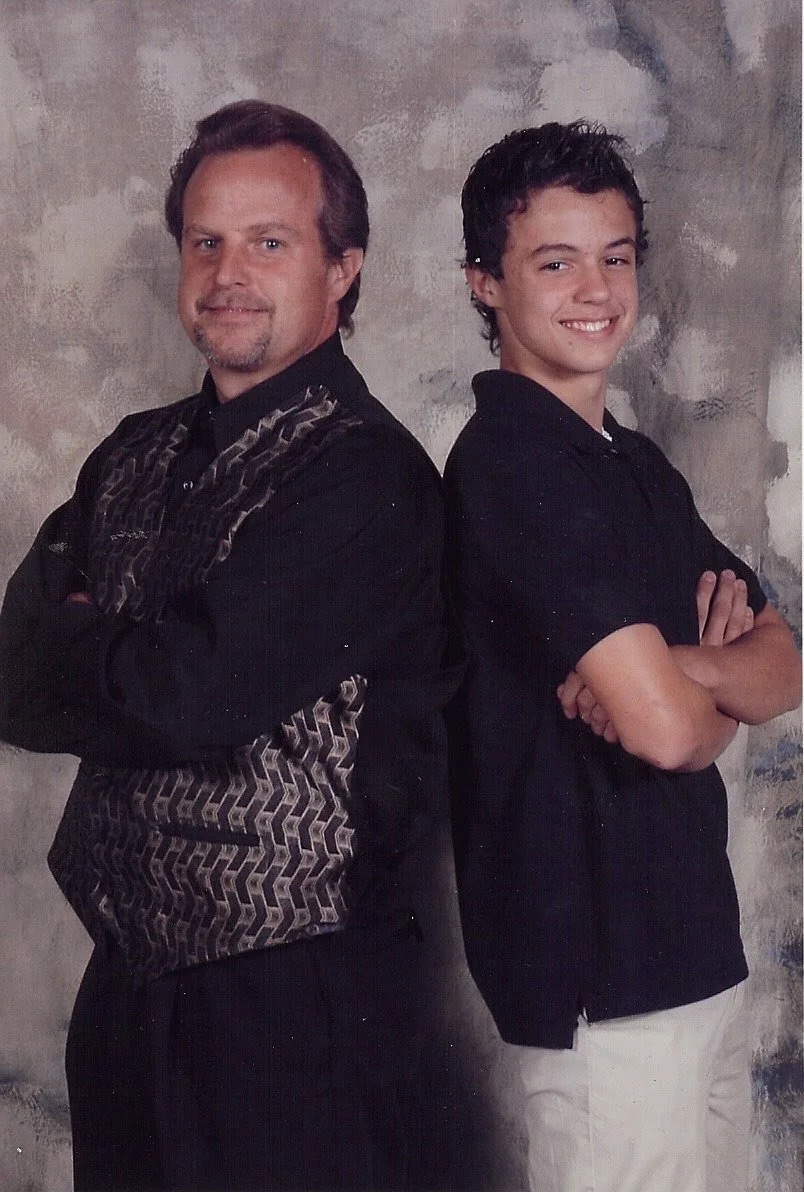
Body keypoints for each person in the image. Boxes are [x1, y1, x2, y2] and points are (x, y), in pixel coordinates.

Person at [0, 99, 460, 1191]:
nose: (226, 273)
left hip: (295, 1015)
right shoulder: (130, 453)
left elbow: (185, 694)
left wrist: (96, 639)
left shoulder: (370, 480)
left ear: (343, 268)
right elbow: (8, 678)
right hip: (125, 996)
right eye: (204, 240)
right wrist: (118, 653)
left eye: (269, 241)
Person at [443, 121, 801, 1192]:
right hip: (598, 987)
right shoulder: (511, 461)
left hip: (694, 956)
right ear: (485, 285)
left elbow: (786, 663)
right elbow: (660, 734)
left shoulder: (633, 463)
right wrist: (686, 687)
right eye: (554, 261)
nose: (596, 288)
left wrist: (678, 670)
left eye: (616, 255)